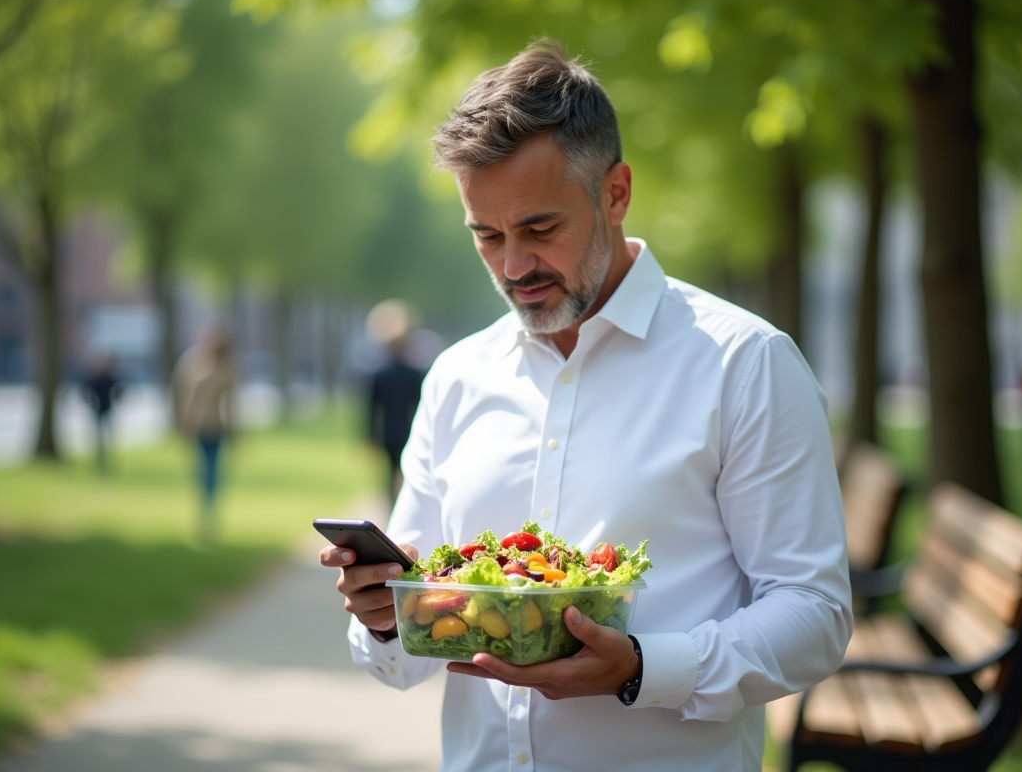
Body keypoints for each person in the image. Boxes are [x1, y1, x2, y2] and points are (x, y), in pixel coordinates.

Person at [321, 40, 852, 772]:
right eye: (486, 235)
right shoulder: (455, 378)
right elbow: (405, 657)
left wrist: (642, 667)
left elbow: (814, 615)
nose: (512, 267)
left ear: (616, 192)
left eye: (540, 229)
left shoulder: (743, 364)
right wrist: (387, 617)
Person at [172, 325, 238, 543]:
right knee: (203, 471)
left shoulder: (227, 368)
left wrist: (235, 430)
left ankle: (208, 513)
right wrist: (183, 423)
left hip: (215, 427)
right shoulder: (194, 362)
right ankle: (205, 512)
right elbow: (184, 394)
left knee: (212, 472)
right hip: (199, 426)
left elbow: (231, 404)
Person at [365, 299, 427, 505]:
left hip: (388, 433)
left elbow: (372, 409)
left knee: (391, 473)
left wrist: (369, 435)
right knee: (409, 473)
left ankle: (393, 507)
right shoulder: (414, 374)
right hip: (409, 431)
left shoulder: (379, 374)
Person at [81, 351, 122, 473]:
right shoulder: (94, 378)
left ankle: (109, 463)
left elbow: (119, 389)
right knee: (98, 439)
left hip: (107, 409)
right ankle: (99, 463)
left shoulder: (108, 378)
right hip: (97, 410)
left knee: (109, 438)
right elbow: (84, 391)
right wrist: (90, 402)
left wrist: (115, 399)